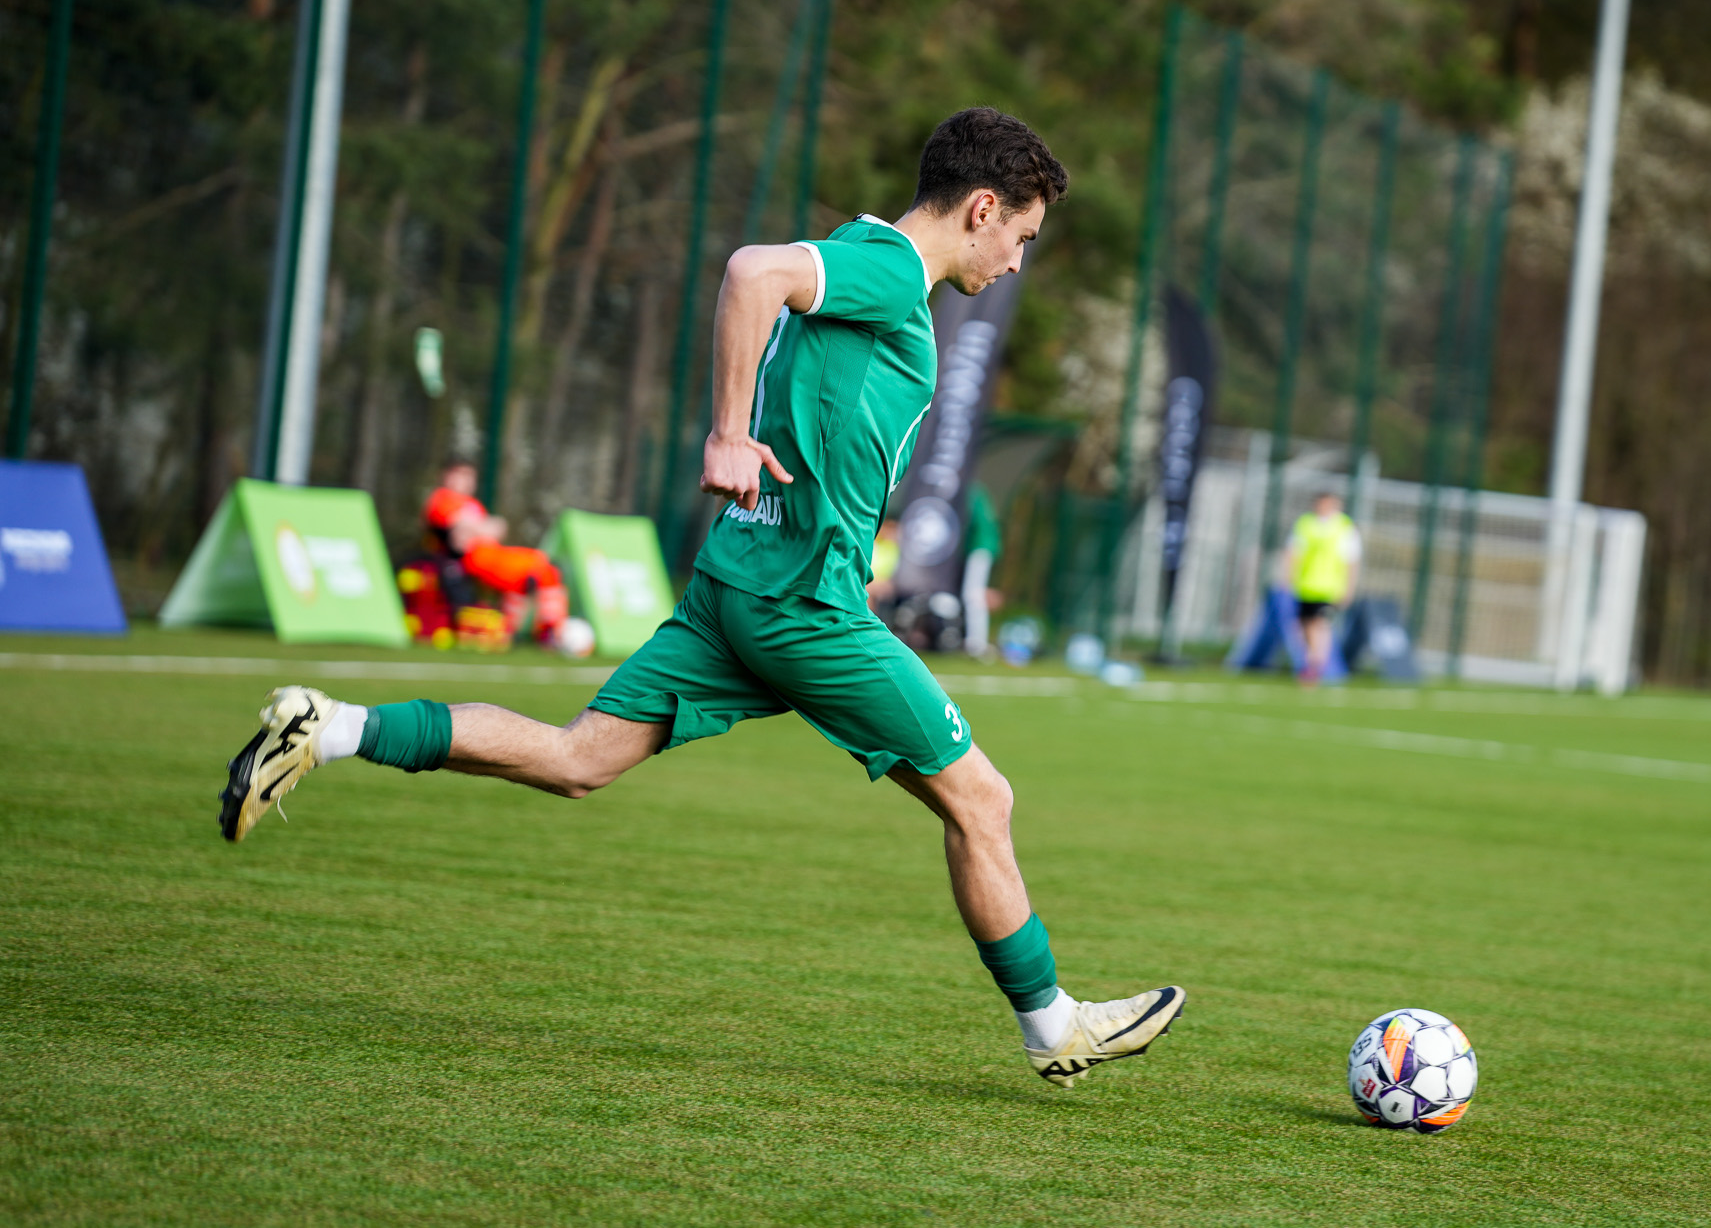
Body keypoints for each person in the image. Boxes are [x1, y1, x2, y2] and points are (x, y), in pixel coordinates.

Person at [217, 108, 1185, 1088]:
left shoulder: (860, 252)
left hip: (738, 581)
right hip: (803, 605)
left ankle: (328, 727)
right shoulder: (894, 270)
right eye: (1021, 236)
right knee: (982, 798)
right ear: (981, 208)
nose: (1016, 261)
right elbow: (750, 271)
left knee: (578, 758)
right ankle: (1053, 1024)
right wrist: (727, 433)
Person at [421, 457, 571, 650]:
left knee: (543, 567)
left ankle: (539, 630)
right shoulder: (442, 498)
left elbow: (497, 528)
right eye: (460, 475)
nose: (466, 481)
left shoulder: (473, 504)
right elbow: (462, 530)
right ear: (446, 476)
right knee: (537, 567)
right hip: (475, 560)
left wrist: (478, 528)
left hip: (494, 554)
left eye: (470, 476)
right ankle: (539, 633)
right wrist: (484, 527)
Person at [1285, 490, 1361, 685]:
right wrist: (1289, 577)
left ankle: (1314, 665)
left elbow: (1352, 561)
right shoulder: (1305, 524)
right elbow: (1294, 552)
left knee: (1320, 625)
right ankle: (1312, 661)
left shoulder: (1344, 527)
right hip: (1305, 586)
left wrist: (1349, 588)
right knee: (1303, 626)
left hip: (1329, 588)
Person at [961, 482, 1004, 659]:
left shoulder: (968, 491)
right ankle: (976, 641)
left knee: (973, 596)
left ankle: (976, 643)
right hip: (984, 547)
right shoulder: (977, 492)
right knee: (974, 595)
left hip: (979, 547)